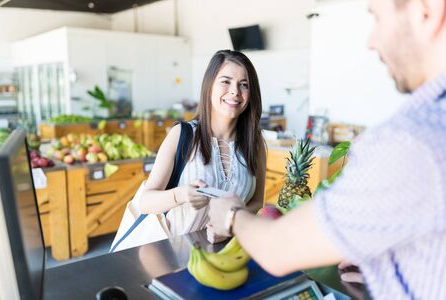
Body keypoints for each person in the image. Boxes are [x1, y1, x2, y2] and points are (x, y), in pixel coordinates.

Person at [208, 0, 446, 298]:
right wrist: (392, 265)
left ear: (427, 10)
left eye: (378, 18)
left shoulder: (411, 141)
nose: (372, 42)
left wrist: (231, 216)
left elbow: (279, 250)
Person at [138, 50, 266, 243]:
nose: (235, 92)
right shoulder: (182, 135)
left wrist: (231, 223)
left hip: (226, 253)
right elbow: (145, 202)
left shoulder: (254, 143)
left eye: (244, 85)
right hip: (172, 254)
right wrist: (180, 194)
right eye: (226, 81)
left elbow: (257, 201)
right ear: (210, 86)